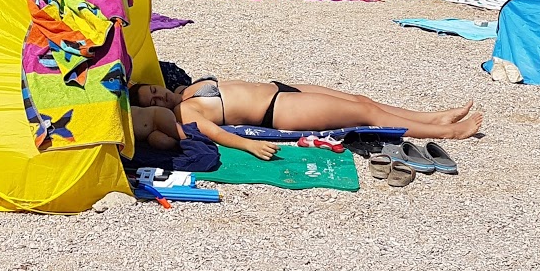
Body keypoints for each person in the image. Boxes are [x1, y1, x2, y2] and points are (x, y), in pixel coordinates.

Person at [130, 81, 481, 160]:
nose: (159, 97)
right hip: (279, 109)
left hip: (282, 87)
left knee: (362, 101)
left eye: (154, 91)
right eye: (153, 101)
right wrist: (250, 145)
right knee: (366, 116)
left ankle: (433, 116)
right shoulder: (185, 111)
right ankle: (449, 132)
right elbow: (214, 132)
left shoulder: (185, 89)